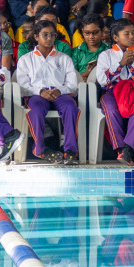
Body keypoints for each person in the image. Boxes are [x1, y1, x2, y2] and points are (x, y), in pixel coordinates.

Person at [90, 19, 134, 164]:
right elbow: (102, 80)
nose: (132, 36)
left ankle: (129, 149)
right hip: (112, 92)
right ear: (115, 37)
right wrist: (121, 65)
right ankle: (121, 149)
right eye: (127, 34)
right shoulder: (106, 55)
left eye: (133, 33)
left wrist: (133, 66)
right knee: (111, 108)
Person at [15, 21, 81, 164]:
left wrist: (60, 90)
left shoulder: (64, 58)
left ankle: (70, 150)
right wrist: (40, 91)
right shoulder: (26, 60)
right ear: (36, 37)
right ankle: (40, 149)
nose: (49, 38)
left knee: (70, 107)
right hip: (37, 95)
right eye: (45, 35)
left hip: (60, 94)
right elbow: (22, 85)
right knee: (36, 110)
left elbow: (72, 85)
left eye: (52, 35)